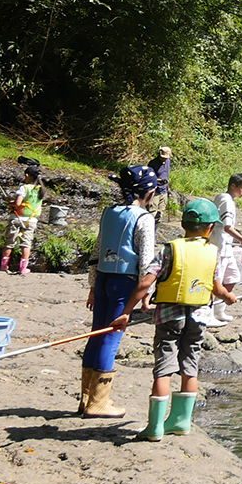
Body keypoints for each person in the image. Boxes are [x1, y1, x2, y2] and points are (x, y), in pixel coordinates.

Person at [133, 199, 236, 441]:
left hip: (169, 316)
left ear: (183, 224)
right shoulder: (213, 252)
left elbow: (146, 281)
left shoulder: (170, 249)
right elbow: (218, 289)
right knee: (190, 367)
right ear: (210, 228)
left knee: (164, 369)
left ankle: (155, 427)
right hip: (199, 318)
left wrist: (129, 309)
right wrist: (229, 297)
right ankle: (181, 422)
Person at [80, 165, 158, 418]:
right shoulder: (144, 218)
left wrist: (93, 286)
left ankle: (86, 398)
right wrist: (145, 294)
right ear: (149, 192)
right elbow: (146, 261)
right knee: (110, 339)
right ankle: (98, 403)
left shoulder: (109, 213)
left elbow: (96, 251)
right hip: (124, 284)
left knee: (96, 335)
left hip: (102, 278)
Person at [210, 174, 242, 322]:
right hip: (220, 243)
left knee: (233, 276)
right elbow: (227, 227)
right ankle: (209, 314)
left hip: (227, 244)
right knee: (216, 279)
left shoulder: (228, 199)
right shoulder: (225, 199)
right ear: (233, 186)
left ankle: (219, 309)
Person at [0, 162, 46, 274]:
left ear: (26, 175)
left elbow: (17, 203)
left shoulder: (24, 188)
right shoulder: (41, 189)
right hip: (32, 220)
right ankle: (23, 268)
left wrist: (9, 203)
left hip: (17, 218)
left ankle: (3, 266)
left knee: (9, 242)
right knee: (26, 244)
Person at [147, 146, 172, 224]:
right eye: (163, 158)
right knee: (152, 212)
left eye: (166, 158)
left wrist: (168, 188)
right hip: (155, 191)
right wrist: (160, 180)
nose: (164, 159)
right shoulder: (152, 163)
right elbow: (148, 177)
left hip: (164, 191)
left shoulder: (168, 162)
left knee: (160, 213)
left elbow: (166, 176)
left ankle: (156, 229)